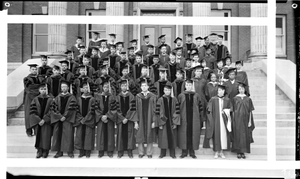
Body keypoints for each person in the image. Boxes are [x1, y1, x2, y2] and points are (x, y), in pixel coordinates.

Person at [50, 80, 77, 158]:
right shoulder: (57, 97)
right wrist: (59, 116)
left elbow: (72, 108)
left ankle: (69, 151)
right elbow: (53, 108)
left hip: (67, 119)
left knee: (68, 135)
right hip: (59, 120)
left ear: (68, 88)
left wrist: (65, 116)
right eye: (62, 87)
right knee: (58, 135)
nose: (63, 88)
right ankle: (59, 152)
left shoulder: (72, 97)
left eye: (65, 87)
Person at [205, 84, 232, 159]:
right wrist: (210, 115)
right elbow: (208, 109)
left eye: (222, 90)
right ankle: (216, 152)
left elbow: (231, 109)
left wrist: (226, 111)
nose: (220, 92)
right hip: (216, 119)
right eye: (219, 90)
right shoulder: (213, 99)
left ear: (224, 91)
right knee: (216, 135)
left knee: (223, 135)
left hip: (224, 120)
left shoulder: (227, 99)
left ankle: (222, 152)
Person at [177, 79, 202, 159]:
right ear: (185, 86)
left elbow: (200, 108)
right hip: (184, 119)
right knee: (184, 134)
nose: (188, 86)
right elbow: (177, 108)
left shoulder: (196, 95)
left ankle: (192, 151)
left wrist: (200, 118)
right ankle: (184, 151)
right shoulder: (181, 95)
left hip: (194, 119)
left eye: (190, 85)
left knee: (193, 134)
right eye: (187, 85)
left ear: (192, 86)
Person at [134, 77, 157, 159]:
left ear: (148, 87)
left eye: (145, 85)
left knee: (149, 134)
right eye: (142, 86)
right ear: (140, 87)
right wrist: (136, 122)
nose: (144, 87)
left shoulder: (153, 96)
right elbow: (135, 109)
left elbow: (155, 110)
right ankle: (141, 152)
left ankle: (149, 152)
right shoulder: (137, 96)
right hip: (140, 119)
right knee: (140, 134)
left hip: (149, 118)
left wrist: (154, 121)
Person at [155, 84, 180, 159]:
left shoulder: (174, 99)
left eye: (169, 90)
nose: (167, 92)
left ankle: (172, 153)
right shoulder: (160, 99)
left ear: (170, 91)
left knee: (172, 137)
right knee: (163, 138)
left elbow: (177, 111)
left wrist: (175, 122)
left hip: (172, 122)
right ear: (163, 91)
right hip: (164, 122)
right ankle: (162, 153)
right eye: (166, 90)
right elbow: (158, 112)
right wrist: (160, 122)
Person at [231, 82, 255, 159]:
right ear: (238, 90)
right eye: (240, 89)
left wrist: (250, 121)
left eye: (243, 89)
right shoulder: (235, 98)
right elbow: (233, 110)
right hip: (237, 120)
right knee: (238, 135)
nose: (241, 90)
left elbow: (250, 111)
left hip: (245, 120)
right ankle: (238, 151)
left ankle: (243, 152)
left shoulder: (248, 99)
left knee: (245, 135)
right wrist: (233, 120)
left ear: (245, 89)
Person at [29, 83, 53, 158]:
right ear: (39, 90)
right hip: (38, 122)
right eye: (42, 89)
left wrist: (45, 119)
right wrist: (39, 120)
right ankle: (39, 150)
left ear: (47, 90)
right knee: (39, 136)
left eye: (45, 89)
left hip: (46, 122)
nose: (43, 90)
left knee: (46, 136)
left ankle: (46, 151)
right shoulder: (35, 99)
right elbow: (32, 111)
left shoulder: (50, 99)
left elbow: (52, 110)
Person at [94, 81, 117, 158]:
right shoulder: (98, 97)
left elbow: (114, 108)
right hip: (101, 119)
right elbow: (96, 108)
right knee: (101, 134)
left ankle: (110, 151)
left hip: (109, 119)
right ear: (102, 88)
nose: (106, 88)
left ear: (109, 88)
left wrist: (107, 116)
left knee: (110, 134)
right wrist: (101, 116)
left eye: (107, 87)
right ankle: (101, 151)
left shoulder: (113, 97)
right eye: (104, 87)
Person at [115, 80, 137, 158]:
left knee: (130, 134)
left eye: (125, 86)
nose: (124, 87)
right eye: (122, 86)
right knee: (120, 134)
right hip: (121, 120)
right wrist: (122, 118)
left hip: (129, 119)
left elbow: (132, 108)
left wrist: (126, 118)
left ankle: (129, 151)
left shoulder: (131, 96)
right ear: (120, 87)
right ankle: (120, 151)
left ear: (127, 87)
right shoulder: (117, 97)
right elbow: (116, 109)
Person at [74, 82, 96, 158]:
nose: (85, 89)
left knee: (88, 135)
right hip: (80, 120)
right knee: (80, 135)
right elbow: (76, 110)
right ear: (81, 89)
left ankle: (87, 151)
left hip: (88, 121)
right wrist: (81, 119)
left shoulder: (92, 99)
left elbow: (92, 111)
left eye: (87, 87)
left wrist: (85, 119)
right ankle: (81, 151)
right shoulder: (79, 99)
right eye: (84, 88)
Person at [23, 64, 43, 136]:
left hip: (38, 97)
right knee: (29, 113)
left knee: (37, 113)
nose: (34, 70)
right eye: (33, 69)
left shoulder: (40, 78)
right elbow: (28, 89)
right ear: (30, 70)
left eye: (35, 69)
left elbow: (42, 87)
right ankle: (29, 130)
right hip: (29, 98)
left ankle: (36, 129)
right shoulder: (27, 79)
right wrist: (38, 91)